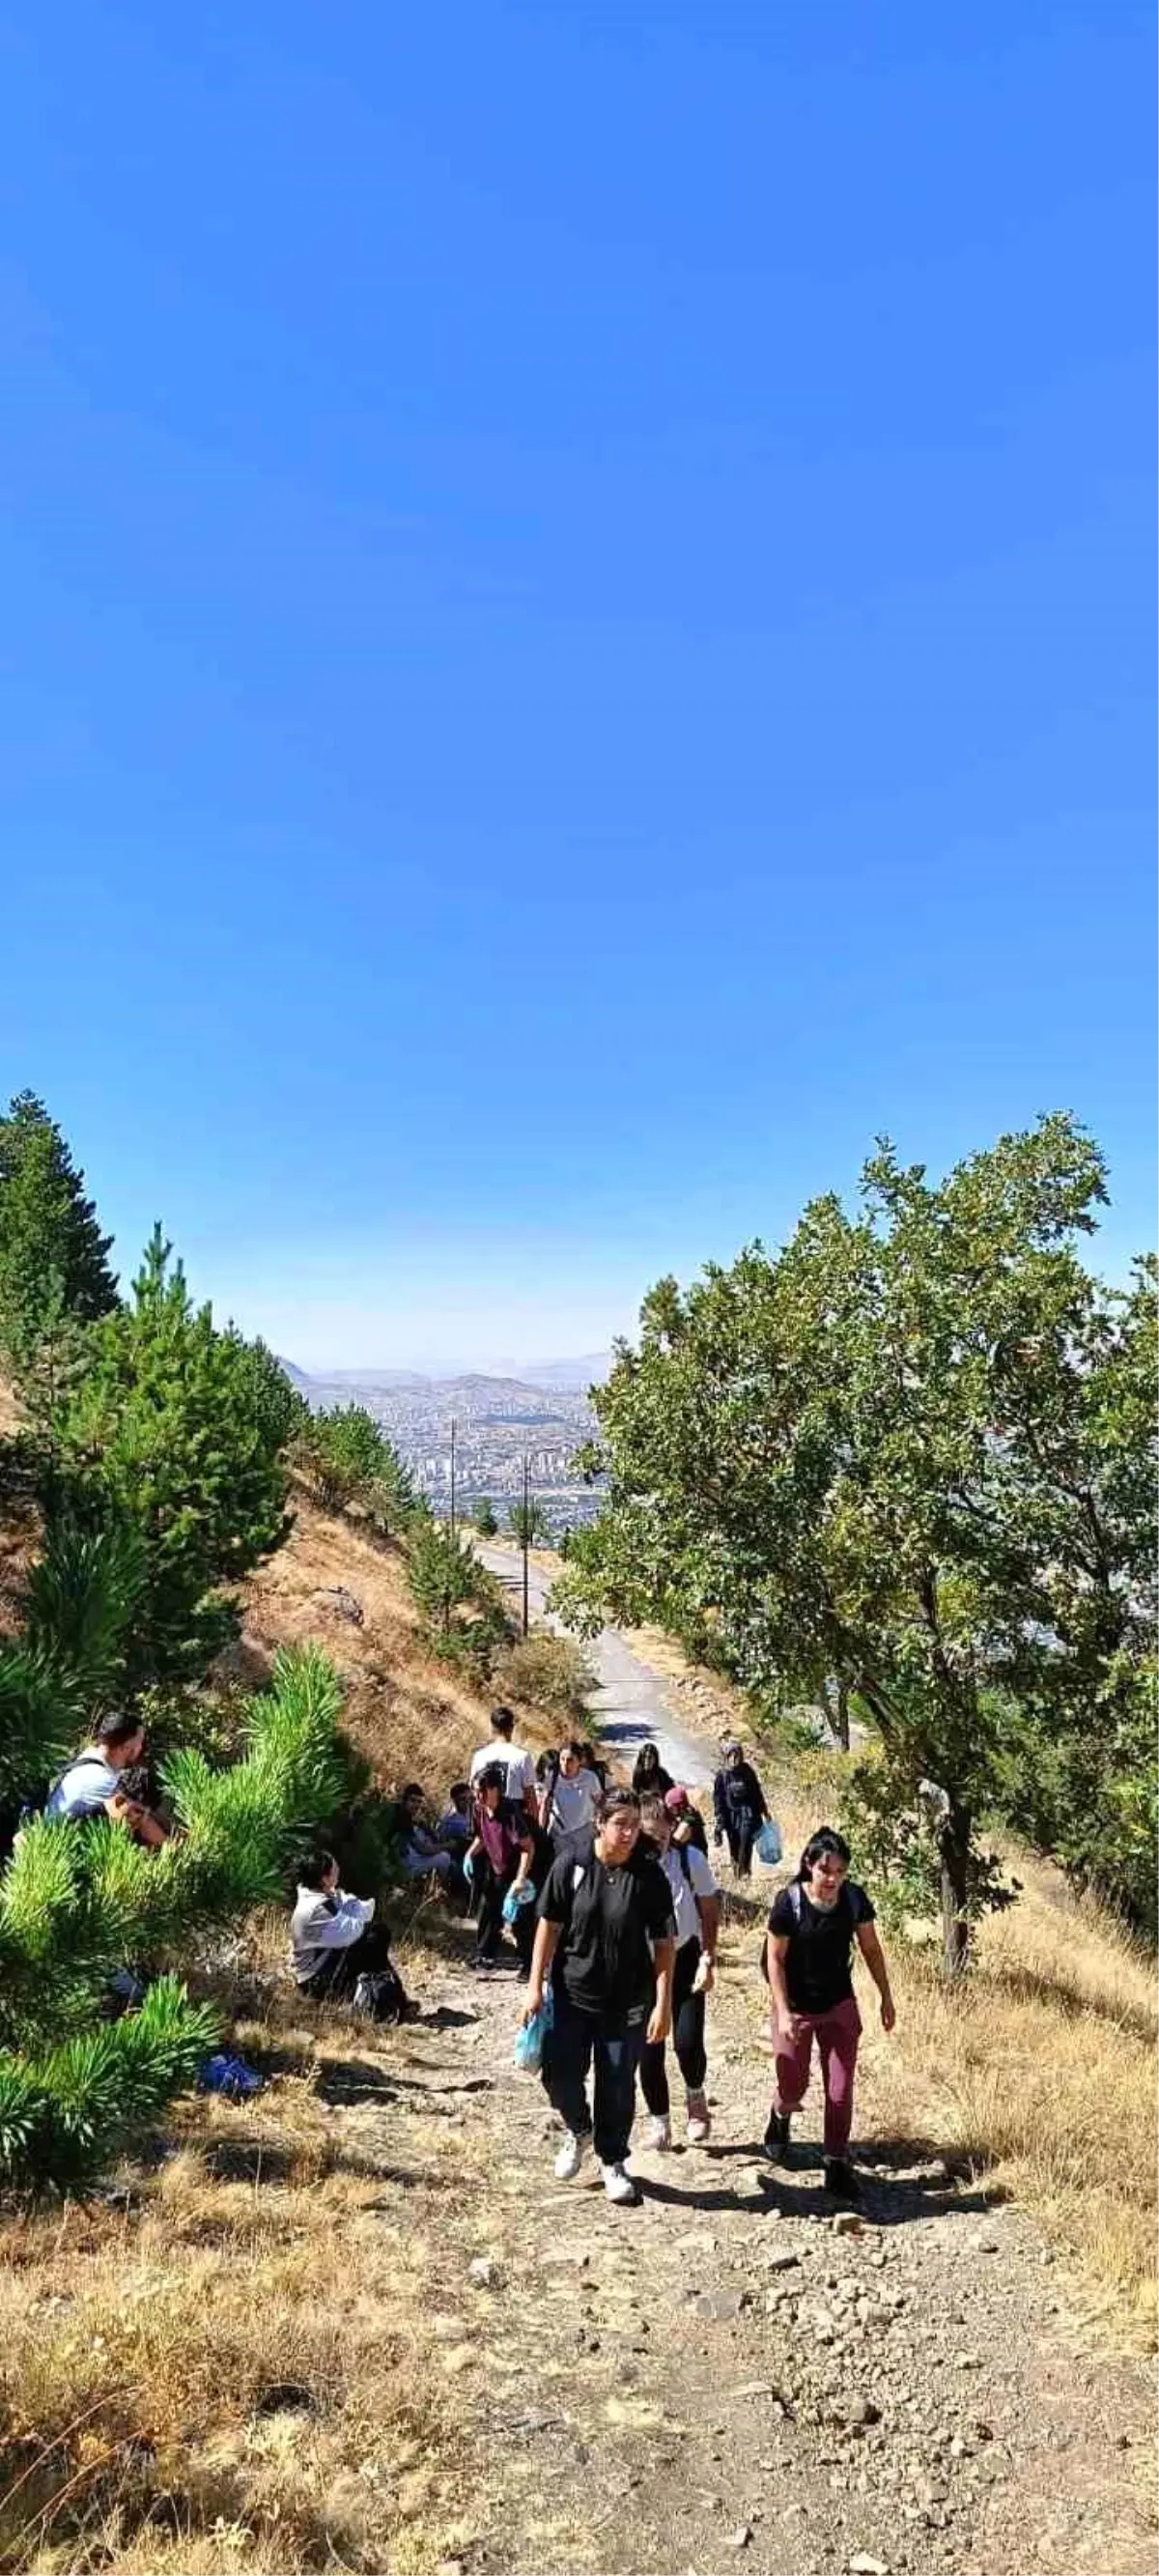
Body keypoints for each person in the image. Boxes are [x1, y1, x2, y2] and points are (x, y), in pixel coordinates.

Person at [523, 1787, 676, 2207]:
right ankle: (579, 2130)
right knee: (558, 2075)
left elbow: (665, 1943)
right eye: (620, 1824)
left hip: (627, 2001)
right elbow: (548, 1925)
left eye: (634, 1825)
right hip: (572, 1994)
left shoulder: (648, 1876)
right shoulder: (572, 1864)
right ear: (599, 1823)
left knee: (617, 2083)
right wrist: (535, 1986)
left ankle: (613, 2161)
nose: (628, 1834)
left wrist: (663, 2004)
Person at [763, 1825, 896, 2203]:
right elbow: (775, 1959)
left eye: (840, 1871)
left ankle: (836, 2162)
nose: (832, 1879)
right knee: (794, 2085)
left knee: (840, 2090)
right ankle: (780, 2114)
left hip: (838, 2004)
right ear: (809, 1865)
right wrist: (783, 2012)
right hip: (796, 2007)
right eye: (825, 1870)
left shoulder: (853, 1899)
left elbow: (871, 1948)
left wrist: (886, 1997)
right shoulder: (788, 1903)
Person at [636, 1793, 720, 2147]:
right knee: (648, 2048)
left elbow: (709, 1908)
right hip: (642, 1966)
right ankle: (660, 2123)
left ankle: (696, 2099)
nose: (656, 1843)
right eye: (649, 1836)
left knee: (687, 2041)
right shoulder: (629, 1864)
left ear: (672, 1829)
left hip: (685, 1958)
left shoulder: (690, 1860)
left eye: (662, 1835)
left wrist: (708, 1957)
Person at [45, 1712, 168, 1846]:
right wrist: (174, 1846)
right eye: (140, 1742)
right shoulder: (102, 1781)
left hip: (52, 1836)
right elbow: (145, 1821)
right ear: (126, 1746)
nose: (141, 1748)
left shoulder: (90, 1755)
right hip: (59, 1847)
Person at [291, 1849, 394, 1999]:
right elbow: (351, 1933)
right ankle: (380, 1992)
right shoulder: (317, 1909)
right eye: (335, 1868)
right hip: (316, 1980)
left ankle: (386, 1990)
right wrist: (361, 1913)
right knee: (376, 1935)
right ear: (325, 1879)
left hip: (317, 1970)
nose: (338, 1869)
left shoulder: (315, 1896)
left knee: (374, 1936)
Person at [466, 1763, 536, 1974]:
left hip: (520, 1867)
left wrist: (520, 1880)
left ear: (495, 1789)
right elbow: (481, 1835)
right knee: (489, 1911)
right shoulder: (478, 1809)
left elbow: (527, 1847)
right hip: (496, 1867)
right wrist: (469, 1855)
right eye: (475, 1790)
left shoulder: (510, 1813)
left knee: (520, 1918)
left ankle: (528, 1963)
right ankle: (485, 1956)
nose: (478, 1795)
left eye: (482, 1790)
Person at [712, 1740, 769, 1877]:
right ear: (726, 1757)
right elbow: (718, 1799)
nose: (733, 1759)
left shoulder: (747, 1772)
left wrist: (764, 1811)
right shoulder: (722, 1775)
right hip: (730, 1817)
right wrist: (719, 1819)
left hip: (747, 1815)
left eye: (736, 1755)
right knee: (734, 1846)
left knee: (746, 1845)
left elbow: (757, 1792)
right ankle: (737, 1873)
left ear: (741, 1756)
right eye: (731, 1756)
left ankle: (745, 1873)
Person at [468, 1707, 538, 1819]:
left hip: (488, 1819)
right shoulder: (522, 1756)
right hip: (514, 1819)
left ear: (492, 1728)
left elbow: (474, 1793)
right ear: (512, 1728)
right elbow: (530, 1797)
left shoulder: (479, 1756)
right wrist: (535, 1825)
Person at [392, 1784, 461, 1890]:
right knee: (444, 1858)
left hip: (400, 1861)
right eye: (412, 1800)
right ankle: (444, 1888)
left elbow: (432, 1836)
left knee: (424, 1835)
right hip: (400, 1869)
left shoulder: (402, 1812)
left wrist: (425, 1826)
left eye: (419, 1801)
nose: (416, 1805)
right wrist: (448, 1845)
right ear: (404, 1800)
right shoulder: (402, 1817)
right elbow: (423, 1850)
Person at [540, 1739, 601, 1846]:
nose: (565, 1764)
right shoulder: (552, 1777)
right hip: (559, 1835)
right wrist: (540, 1832)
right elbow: (545, 1806)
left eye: (570, 1760)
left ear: (579, 1761)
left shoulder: (590, 1778)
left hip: (583, 1836)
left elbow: (600, 1804)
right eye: (562, 1759)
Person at [664, 1783, 710, 1857]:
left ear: (679, 1806)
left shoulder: (689, 1818)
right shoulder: (687, 1813)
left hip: (695, 1858)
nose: (669, 1811)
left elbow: (677, 1838)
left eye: (671, 1808)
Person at [437, 1783, 473, 1851]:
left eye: (470, 1798)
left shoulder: (476, 1811)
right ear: (454, 1800)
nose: (467, 1801)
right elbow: (441, 1838)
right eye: (463, 1799)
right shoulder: (448, 1819)